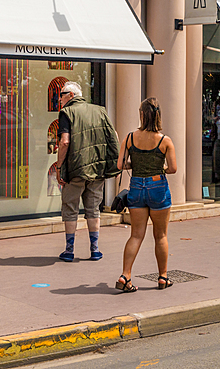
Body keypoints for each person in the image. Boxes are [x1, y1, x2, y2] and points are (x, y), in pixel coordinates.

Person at [115, 98, 177, 293]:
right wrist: (160, 168)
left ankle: (125, 275)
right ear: (158, 115)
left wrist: (137, 165)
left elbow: (120, 165)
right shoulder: (164, 140)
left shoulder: (130, 138)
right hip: (158, 186)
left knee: (135, 235)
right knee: (160, 235)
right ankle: (162, 277)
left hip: (136, 187)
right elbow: (173, 168)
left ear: (141, 115)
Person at [56, 81, 120, 262]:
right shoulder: (100, 110)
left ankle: (69, 250)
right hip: (97, 168)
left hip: (76, 168)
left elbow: (65, 142)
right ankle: (95, 249)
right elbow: (113, 136)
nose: (59, 98)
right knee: (93, 209)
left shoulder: (67, 112)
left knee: (70, 208)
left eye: (61, 94)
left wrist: (59, 166)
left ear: (70, 95)